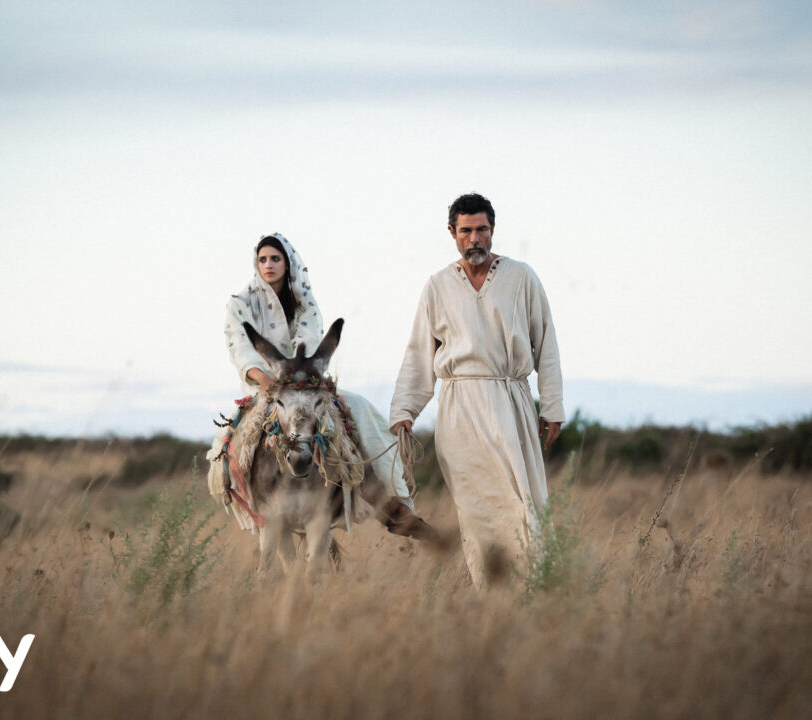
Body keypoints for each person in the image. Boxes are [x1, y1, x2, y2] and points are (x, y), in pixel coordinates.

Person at [389, 193, 565, 588]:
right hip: (459, 409)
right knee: (477, 511)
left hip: (511, 400)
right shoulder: (436, 286)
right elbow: (419, 352)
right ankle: (493, 596)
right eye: (465, 231)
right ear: (452, 233)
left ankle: (535, 589)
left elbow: (546, 344)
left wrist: (552, 406)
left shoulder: (522, 277)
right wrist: (404, 411)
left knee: (523, 504)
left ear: (493, 230)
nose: (474, 239)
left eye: (481, 229)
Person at [212, 233, 414, 532]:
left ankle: (389, 494)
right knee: (228, 445)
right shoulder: (239, 304)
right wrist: (265, 378)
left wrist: (298, 375)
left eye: (275, 259)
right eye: (263, 259)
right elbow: (239, 346)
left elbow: (308, 339)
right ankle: (252, 503)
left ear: (288, 263)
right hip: (263, 386)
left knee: (356, 408)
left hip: (305, 382)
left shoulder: (305, 302)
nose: (269, 265)